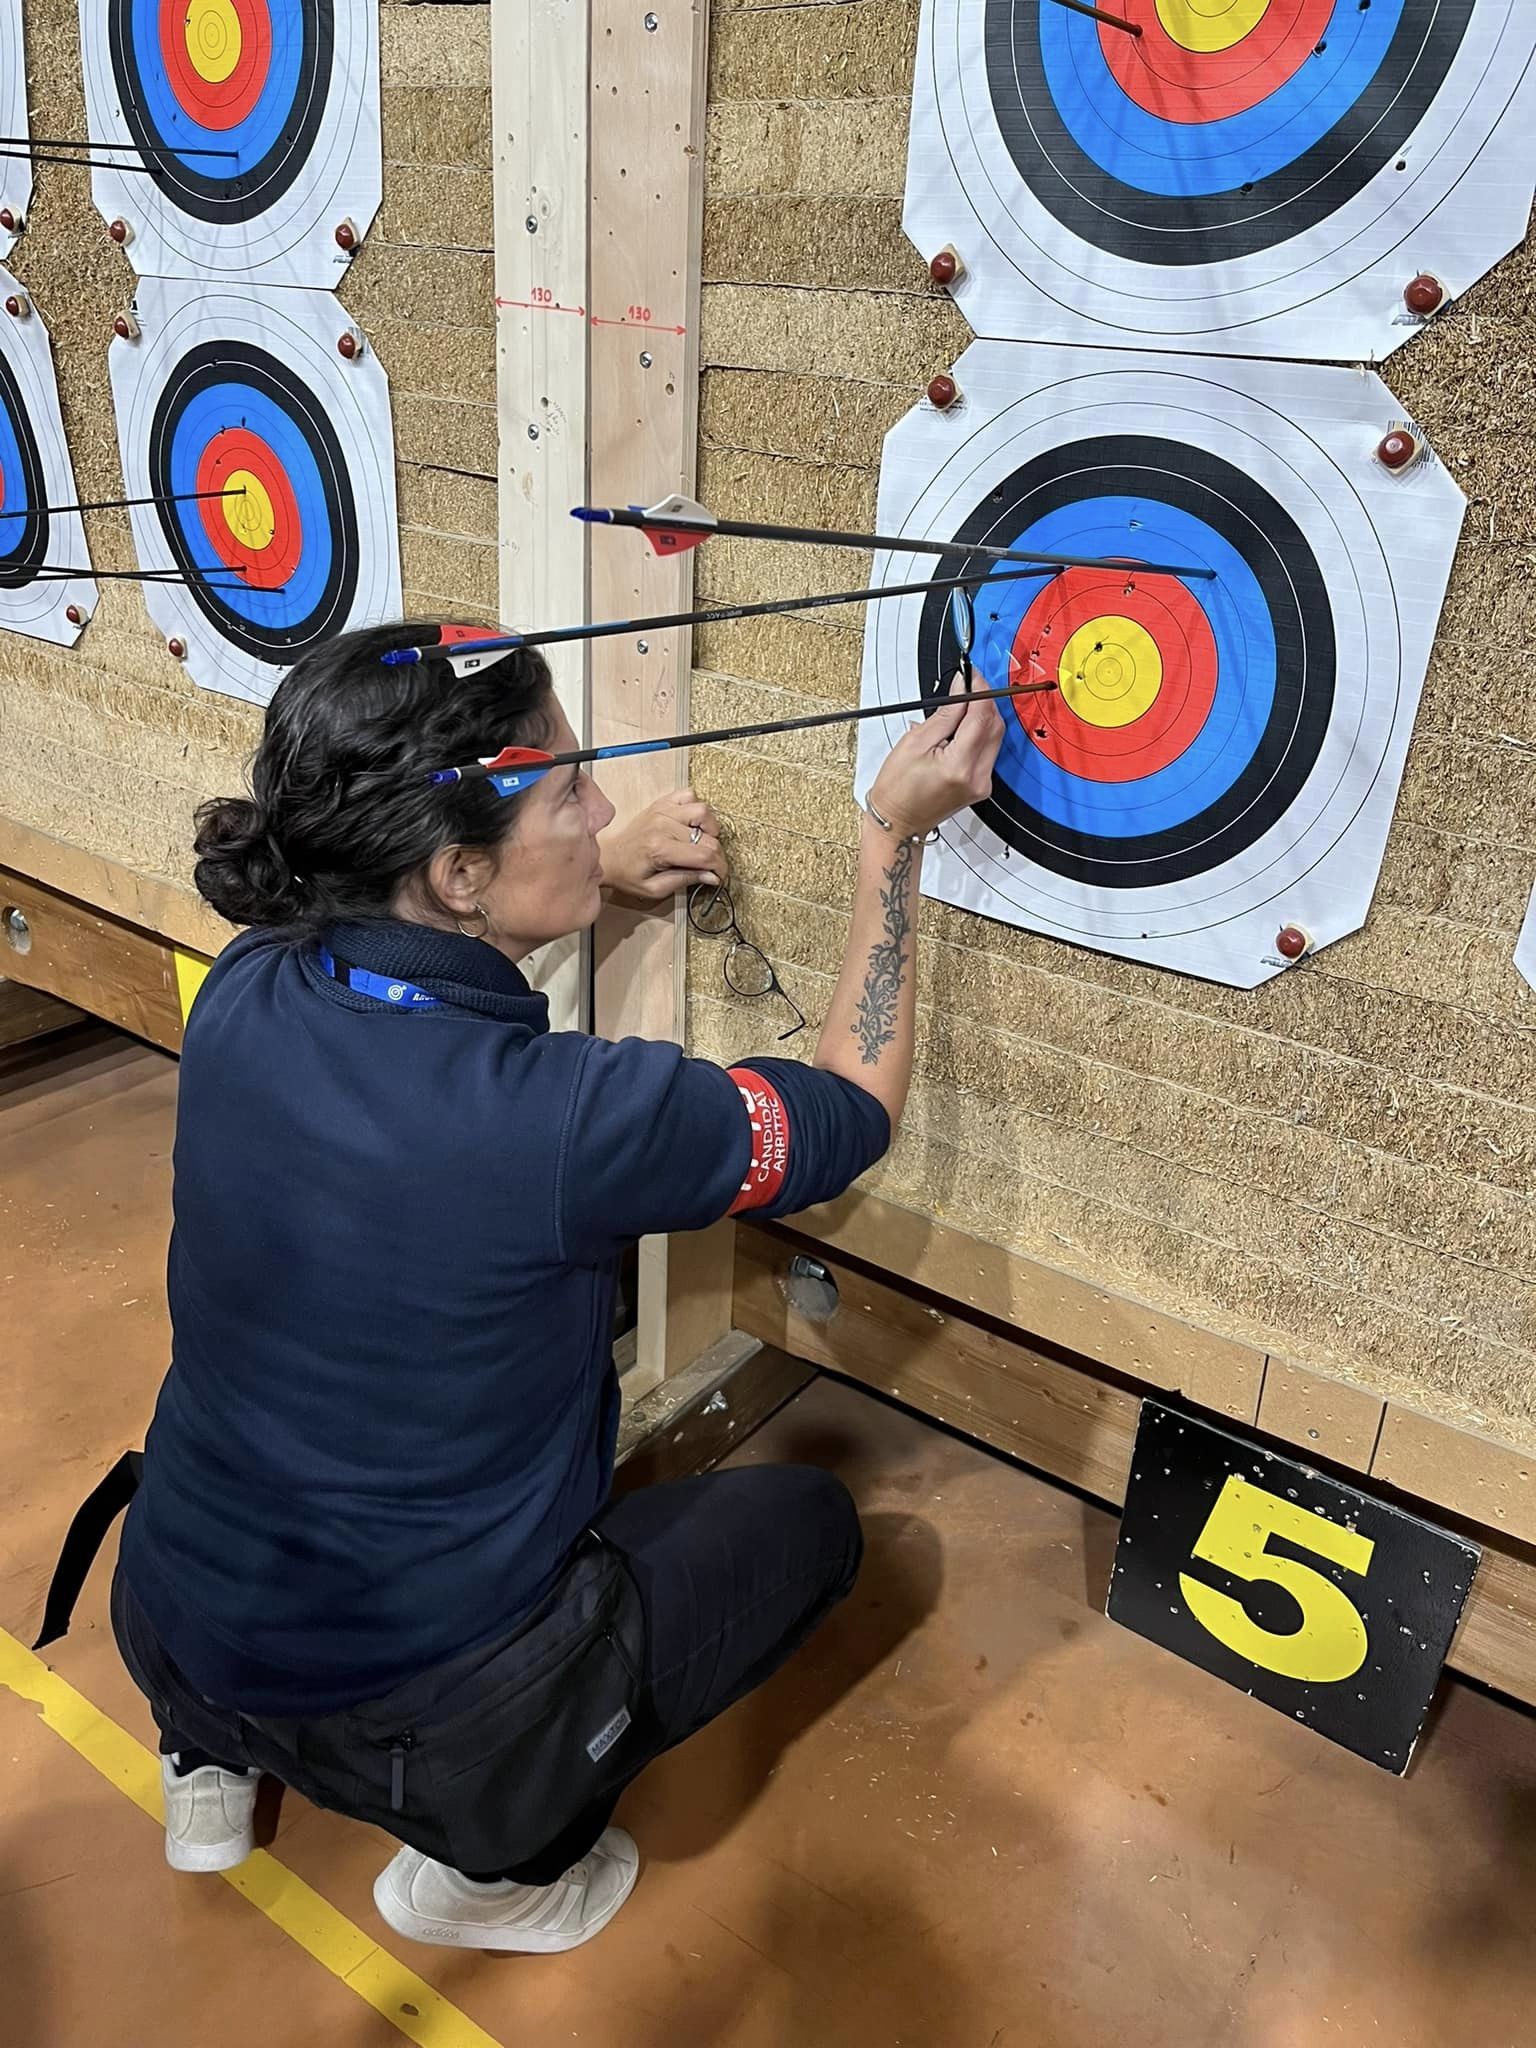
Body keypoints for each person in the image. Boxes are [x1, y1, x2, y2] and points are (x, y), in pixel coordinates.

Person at [110, 618, 1003, 1952]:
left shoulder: (248, 979)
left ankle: (208, 1760)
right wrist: (893, 838)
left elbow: (417, 1008)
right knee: (814, 1524)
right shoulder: (570, 1122)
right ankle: (492, 1875)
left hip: (173, 1611)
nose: (601, 811)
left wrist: (590, 878)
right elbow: (850, 1112)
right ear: (459, 872)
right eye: (573, 791)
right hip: (434, 1726)